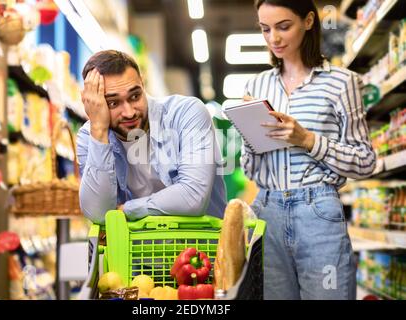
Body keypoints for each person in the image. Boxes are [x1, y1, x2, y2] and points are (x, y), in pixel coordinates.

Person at [241, 0, 376, 299]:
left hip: (318, 212)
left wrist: (308, 140)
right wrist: (251, 136)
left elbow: (366, 161)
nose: (273, 38)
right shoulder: (257, 84)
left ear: (309, 21)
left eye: (283, 26)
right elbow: (249, 170)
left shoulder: (341, 83)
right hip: (267, 212)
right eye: (265, 29)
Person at [77, 50, 227, 224]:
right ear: (94, 103)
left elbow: (193, 197)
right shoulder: (90, 136)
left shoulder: (186, 113)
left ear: (142, 83)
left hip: (201, 244)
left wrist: (127, 210)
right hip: (136, 250)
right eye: (113, 103)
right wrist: (99, 130)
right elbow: (97, 213)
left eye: (135, 96)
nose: (129, 112)